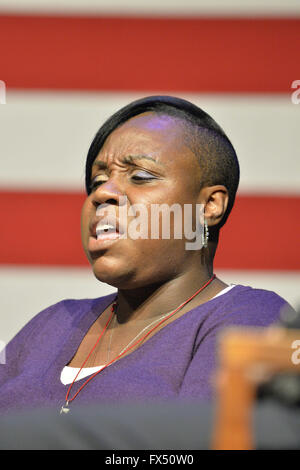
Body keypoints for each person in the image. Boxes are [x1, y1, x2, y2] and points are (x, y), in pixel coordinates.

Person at [0, 95, 294, 416]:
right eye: (98, 180)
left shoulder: (247, 317)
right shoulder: (53, 323)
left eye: (140, 176)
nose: (102, 193)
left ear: (209, 206)